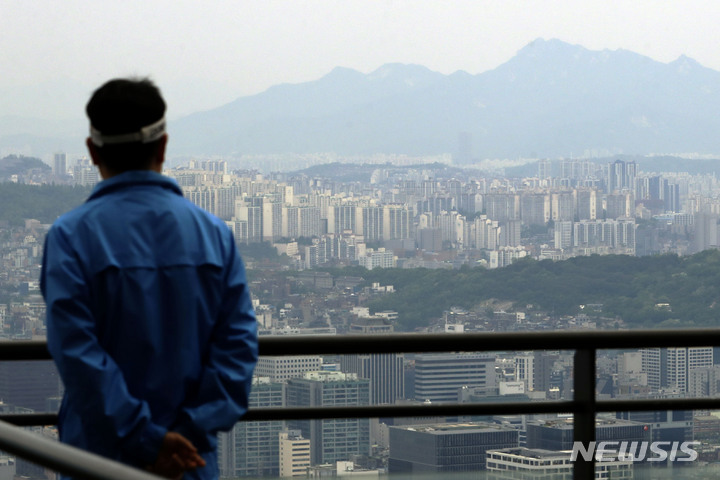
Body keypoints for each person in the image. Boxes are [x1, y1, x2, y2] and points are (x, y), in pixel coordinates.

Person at [40, 78, 258, 479]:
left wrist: (144, 438)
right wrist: (185, 434)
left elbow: (76, 355)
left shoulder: (71, 237)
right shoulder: (213, 235)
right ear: (163, 146)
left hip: (97, 459)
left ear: (92, 151)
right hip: (189, 460)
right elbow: (238, 348)